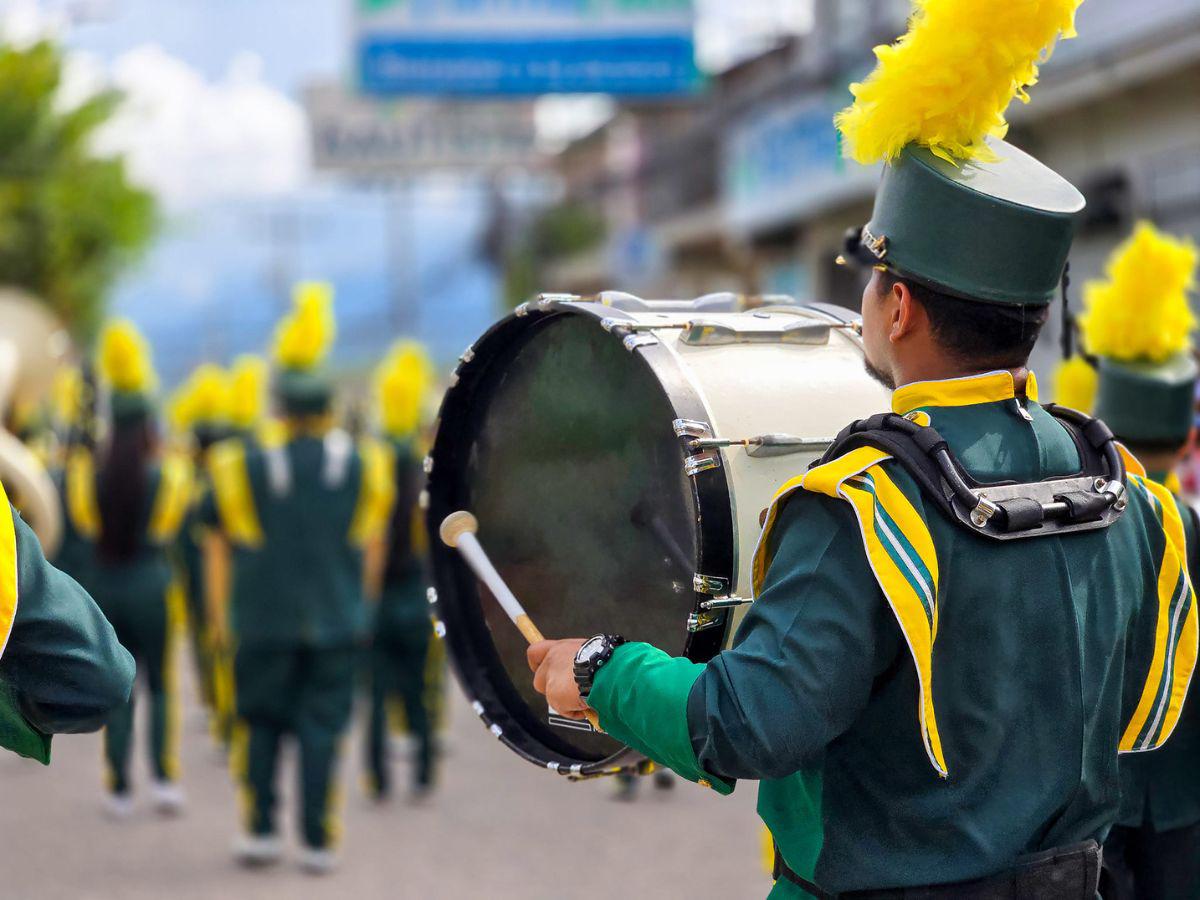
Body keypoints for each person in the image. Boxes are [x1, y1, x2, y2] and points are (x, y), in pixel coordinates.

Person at [526, 3, 1199, 896]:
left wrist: (603, 668)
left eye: (875, 274)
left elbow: (750, 723)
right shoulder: (1133, 501)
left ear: (900, 307)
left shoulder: (867, 506)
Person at [205, 283, 392, 873]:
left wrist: (219, 619)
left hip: (262, 621)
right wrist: (359, 608)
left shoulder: (240, 467)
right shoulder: (365, 464)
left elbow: (215, 545)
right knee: (322, 731)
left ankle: (260, 829)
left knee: (260, 725)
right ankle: (316, 839)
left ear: (280, 409)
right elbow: (373, 546)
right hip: (336, 620)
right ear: (328, 408)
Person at [1056, 223, 1200, 899]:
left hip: (1087, 801)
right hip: (1185, 802)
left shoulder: (1066, 522)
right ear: (1188, 437)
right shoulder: (1188, 526)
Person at [82, 320, 192, 818]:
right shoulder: (169, 474)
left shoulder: (89, 473)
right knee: (162, 684)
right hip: (152, 583)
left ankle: (118, 787)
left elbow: (86, 522)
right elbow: (170, 523)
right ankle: (164, 780)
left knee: (118, 686)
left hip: (107, 584)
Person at [363, 342, 443, 803]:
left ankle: (377, 777)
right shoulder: (426, 473)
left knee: (375, 694)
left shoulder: (367, 468)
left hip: (378, 597)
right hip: (416, 595)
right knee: (419, 689)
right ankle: (424, 770)